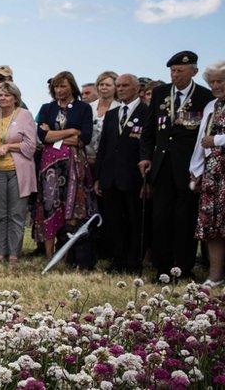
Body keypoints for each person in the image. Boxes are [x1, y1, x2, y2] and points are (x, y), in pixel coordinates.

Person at [140, 51, 213, 280]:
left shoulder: (204, 96)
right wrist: (145, 157)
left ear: (194, 71)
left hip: (189, 168)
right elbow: (148, 131)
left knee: (186, 218)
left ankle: (184, 267)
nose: (175, 75)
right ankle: (161, 268)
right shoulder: (161, 93)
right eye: (172, 71)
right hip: (162, 167)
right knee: (160, 217)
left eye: (180, 71)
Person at [35, 71, 95, 263]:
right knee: (49, 205)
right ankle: (49, 256)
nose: (59, 90)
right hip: (49, 164)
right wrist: (70, 131)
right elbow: (43, 137)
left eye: (63, 86)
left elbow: (84, 137)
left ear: (72, 87)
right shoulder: (47, 108)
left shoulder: (83, 108)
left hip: (74, 162)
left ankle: (68, 255)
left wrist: (54, 134)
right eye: (56, 87)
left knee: (71, 208)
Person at [95, 74, 147, 273]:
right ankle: (118, 260)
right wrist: (99, 177)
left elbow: (147, 145)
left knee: (134, 221)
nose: (121, 88)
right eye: (119, 86)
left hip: (133, 178)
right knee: (114, 221)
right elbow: (103, 148)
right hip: (110, 177)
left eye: (125, 85)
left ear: (136, 88)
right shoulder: (111, 114)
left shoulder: (146, 112)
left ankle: (134, 263)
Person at [0, 81, 37, 265]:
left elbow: (31, 146)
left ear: (15, 97)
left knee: (16, 214)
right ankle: (0, 252)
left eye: (7, 95)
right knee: (0, 214)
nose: (3, 98)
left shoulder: (25, 115)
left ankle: (13, 254)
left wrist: (8, 146)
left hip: (17, 171)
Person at [189, 61, 225, 287]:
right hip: (213, 172)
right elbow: (202, 139)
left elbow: (213, 139)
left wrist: (219, 140)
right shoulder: (212, 106)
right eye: (212, 82)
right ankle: (215, 275)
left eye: (220, 81)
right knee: (212, 226)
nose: (215, 86)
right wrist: (195, 169)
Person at [88, 71, 118, 163]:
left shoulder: (120, 108)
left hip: (108, 160)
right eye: (101, 84)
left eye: (108, 85)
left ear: (115, 88)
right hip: (86, 158)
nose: (104, 87)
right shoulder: (88, 107)